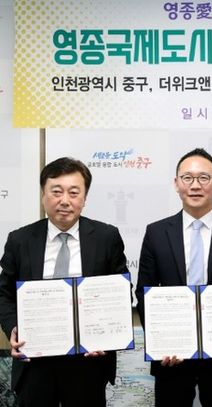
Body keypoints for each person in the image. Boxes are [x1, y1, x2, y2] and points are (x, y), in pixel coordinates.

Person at [0, 157, 129, 406]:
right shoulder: (20, 240)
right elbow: (4, 294)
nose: (65, 200)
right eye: (56, 192)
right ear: (43, 195)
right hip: (35, 362)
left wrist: (107, 337)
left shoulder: (106, 237)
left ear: (84, 198)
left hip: (87, 363)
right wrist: (13, 327)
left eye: (74, 192)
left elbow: (121, 292)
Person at [135, 148, 212, 407]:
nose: (195, 185)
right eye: (187, 178)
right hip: (172, 357)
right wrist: (161, 343)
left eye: (204, 178)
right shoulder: (156, 232)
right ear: (176, 183)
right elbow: (144, 293)